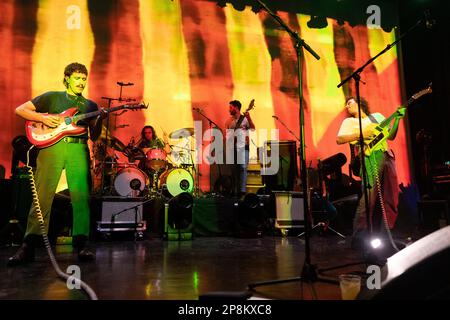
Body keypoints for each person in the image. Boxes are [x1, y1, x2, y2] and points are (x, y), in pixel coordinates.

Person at [8, 62, 102, 266]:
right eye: (77, 78)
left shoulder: (90, 105)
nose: (81, 82)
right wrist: (42, 118)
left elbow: (94, 135)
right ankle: (29, 245)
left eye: (84, 78)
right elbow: (20, 110)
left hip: (78, 148)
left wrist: (100, 119)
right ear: (67, 78)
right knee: (42, 195)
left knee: (81, 196)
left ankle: (82, 243)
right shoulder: (51, 96)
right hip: (52, 147)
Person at [336, 97, 405, 244]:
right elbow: (339, 139)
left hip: (387, 154)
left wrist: (398, 119)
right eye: (346, 104)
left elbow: (391, 136)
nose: (347, 106)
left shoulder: (378, 116)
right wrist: (361, 135)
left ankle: (386, 234)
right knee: (369, 196)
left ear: (360, 103)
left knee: (391, 197)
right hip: (369, 157)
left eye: (350, 102)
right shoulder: (349, 122)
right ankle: (359, 236)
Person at [225, 100, 255, 196]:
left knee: (242, 168)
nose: (229, 109)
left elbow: (253, 128)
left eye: (231, 107)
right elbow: (227, 134)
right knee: (234, 169)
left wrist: (249, 117)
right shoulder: (228, 121)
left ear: (236, 108)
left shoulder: (245, 119)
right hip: (233, 147)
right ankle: (234, 190)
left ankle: (242, 191)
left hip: (243, 147)